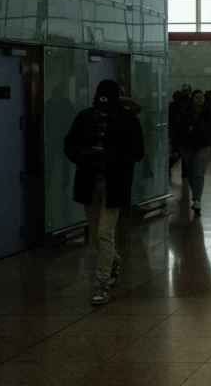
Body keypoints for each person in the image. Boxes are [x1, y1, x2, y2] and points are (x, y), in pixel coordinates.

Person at [64, 79, 145, 305]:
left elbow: (138, 152)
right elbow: (69, 144)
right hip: (89, 183)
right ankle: (113, 261)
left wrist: (115, 159)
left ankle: (102, 282)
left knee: (104, 233)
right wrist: (83, 156)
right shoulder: (85, 117)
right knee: (96, 235)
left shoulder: (128, 120)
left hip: (114, 184)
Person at [177, 89, 211, 216]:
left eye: (201, 97)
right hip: (187, 146)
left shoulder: (209, 114)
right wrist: (176, 147)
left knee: (198, 173)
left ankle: (197, 200)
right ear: (192, 99)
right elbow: (178, 129)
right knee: (190, 173)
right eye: (197, 97)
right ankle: (195, 194)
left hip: (203, 146)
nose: (200, 99)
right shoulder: (185, 113)